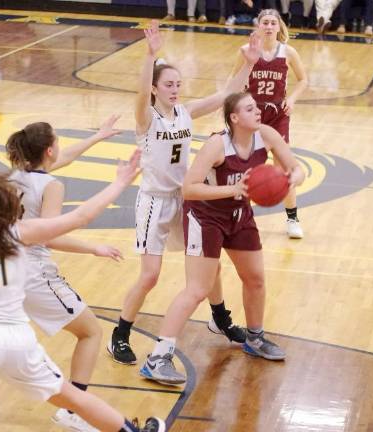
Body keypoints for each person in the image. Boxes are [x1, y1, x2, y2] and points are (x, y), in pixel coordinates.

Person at [0, 153, 166, 432]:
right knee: (75, 399)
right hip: (19, 341)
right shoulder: (22, 233)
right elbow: (81, 216)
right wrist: (121, 181)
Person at [106, 21, 261, 366]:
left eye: (178, 84)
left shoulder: (186, 114)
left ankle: (221, 319)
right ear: (156, 89)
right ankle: (120, 334)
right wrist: (150, 55)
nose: (175, 89)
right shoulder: (146, 119)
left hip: (187, 200)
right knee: (149, 275)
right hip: (154, 202)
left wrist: (248, 63)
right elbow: (139, 92)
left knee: (211, 266)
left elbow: (227, 97)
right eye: (169, 85)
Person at [0, 116, 125, 431]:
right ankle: (73, 408)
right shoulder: (52, 185)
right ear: (49, 150)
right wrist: (93, 247)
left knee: (2, 330)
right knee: (90, 332)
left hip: (1, 265)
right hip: (34, 272)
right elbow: (49, 235)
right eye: (58, 142)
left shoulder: (10, 177)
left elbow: (62, 159)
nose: (61, 148)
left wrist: (98, 136)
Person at [139, 91, 305, 385]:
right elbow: (188, 189)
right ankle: (157, 358)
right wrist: (232, 190)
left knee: (255, 279)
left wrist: (293, 177)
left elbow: (297, 168)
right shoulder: (217, 145)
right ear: (234, 117)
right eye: (250, 108)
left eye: (256, 107)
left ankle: (254, 338)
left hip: (239, 214)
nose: (258, 111)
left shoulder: (266, 135)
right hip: (206, 216)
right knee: (197, 289)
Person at [231, 8, 308, 239]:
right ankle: (238, 215)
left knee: (283, 166)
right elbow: (233, 80)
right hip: (251, 115)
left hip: (277, 115)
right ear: (258, 26)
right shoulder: (245, 51)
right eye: (265, 22)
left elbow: (304, 80)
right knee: (242, 165)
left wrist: (291, 99)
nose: (269, 26)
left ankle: (292, 218)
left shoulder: (288, 52)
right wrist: (234, 103)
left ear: (278, 26)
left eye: (273, 23)